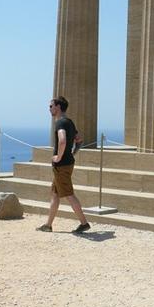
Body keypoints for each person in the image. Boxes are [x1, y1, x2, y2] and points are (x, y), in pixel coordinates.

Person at [36, 96, 90, 234]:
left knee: (69, 194)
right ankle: (48, 225)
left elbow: (62, 141)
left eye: (51, 106)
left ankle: (84, 223)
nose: (49, 109)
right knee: (55, 194)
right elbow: (79, 140)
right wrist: (73, 153)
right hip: (67, 163)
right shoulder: (69, 122)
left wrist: (58, 157)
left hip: (61, 166)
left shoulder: (60, 123)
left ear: (58, 107)